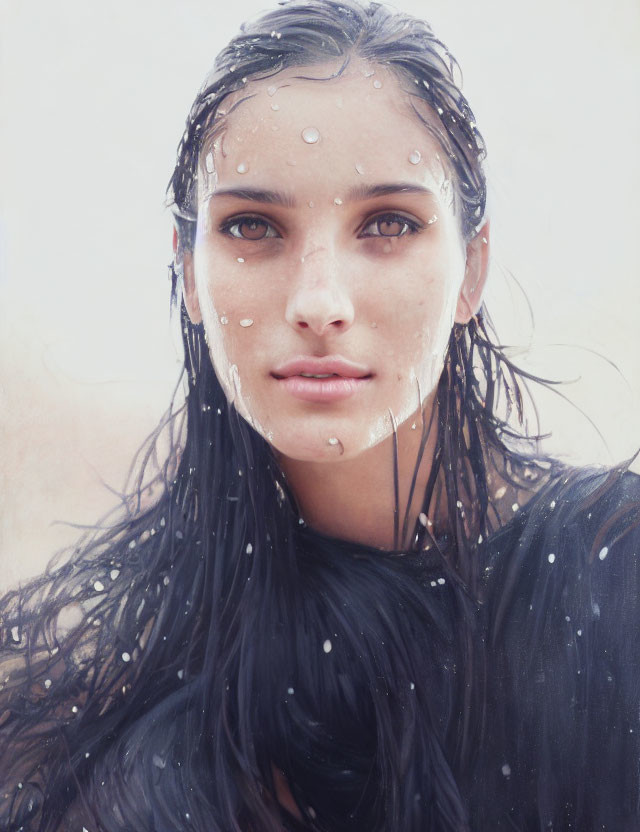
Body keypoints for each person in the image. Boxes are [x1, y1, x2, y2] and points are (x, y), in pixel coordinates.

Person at [1, 0, 639, 829]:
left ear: (472, 270)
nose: (318, 301)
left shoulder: (615, 585)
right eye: (253, 227)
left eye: (387, 223)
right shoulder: (96, 698)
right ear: (189, 275)